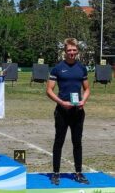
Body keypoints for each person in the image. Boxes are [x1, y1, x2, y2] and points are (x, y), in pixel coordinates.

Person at [46, 38, 90, 185]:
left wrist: (83, 101)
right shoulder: (57, 68)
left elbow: (87, 89)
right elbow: (49, 90)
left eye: (74, 50)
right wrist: (62, 102)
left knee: (77, 142)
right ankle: (56, 173)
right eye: (69, 50)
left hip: (78, 111)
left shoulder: (82, 68)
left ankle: (79, 173)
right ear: (65, 51)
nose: (71, 53)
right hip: (62, 112)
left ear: (77, 51)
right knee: (59, 141)